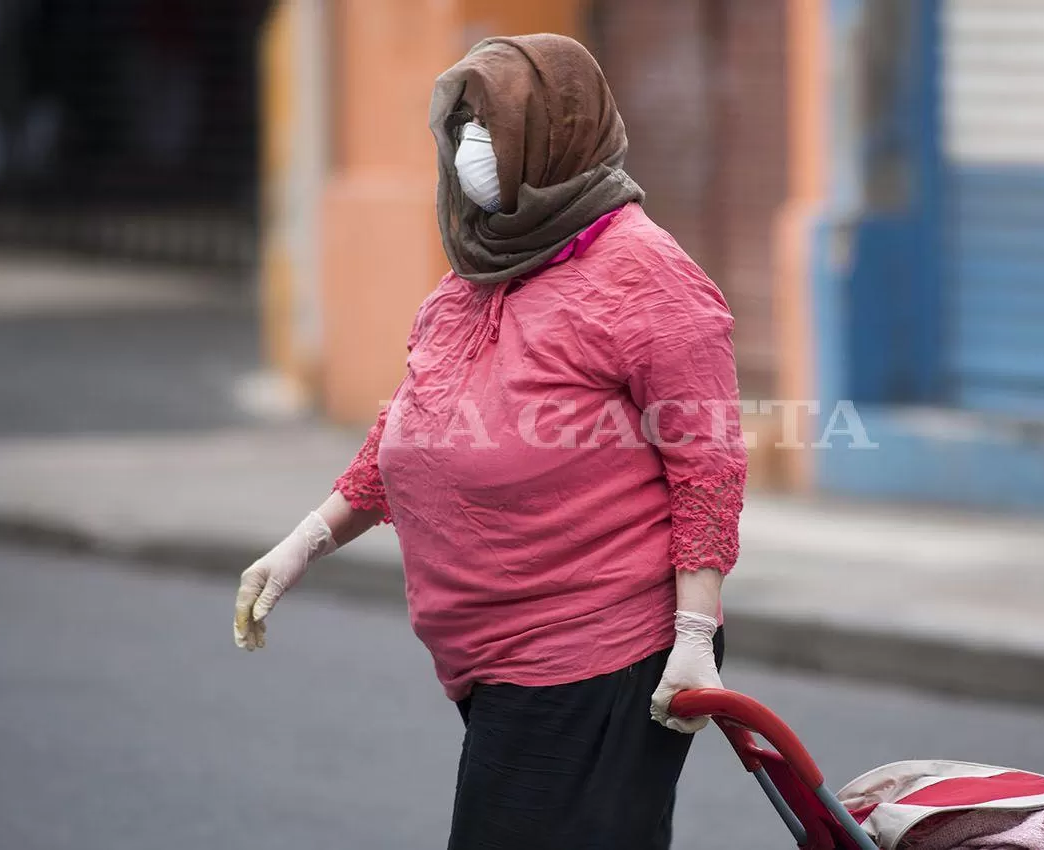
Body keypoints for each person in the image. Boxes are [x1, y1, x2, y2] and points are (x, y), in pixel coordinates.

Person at [232, 33, 747, 849]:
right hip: (498, 659)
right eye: (465, 122)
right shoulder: (479, 270)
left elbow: (707, 460)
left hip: (599, 651)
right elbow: (409, 423)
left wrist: (692, 637)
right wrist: (306, 540)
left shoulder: (644, 272)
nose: (471, 145)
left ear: (556, 135)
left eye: (493, 125)